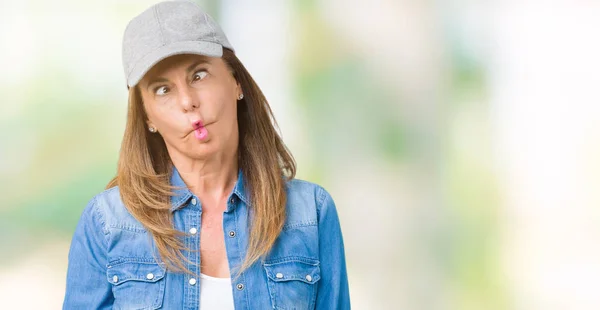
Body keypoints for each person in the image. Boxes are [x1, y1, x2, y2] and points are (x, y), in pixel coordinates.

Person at [62, 1, 350, 309]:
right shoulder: (107, 223)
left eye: (199, 75)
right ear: (147, 118)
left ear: (236, 81)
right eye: (162, 90)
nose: (187, 101)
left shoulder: (311, 214)